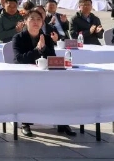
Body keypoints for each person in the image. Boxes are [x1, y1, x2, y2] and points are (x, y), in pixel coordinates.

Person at [11, 9, 75, 137]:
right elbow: (19, 59)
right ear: (25, 21)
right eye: (32, 19)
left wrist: (44, 47)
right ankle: (25, 122)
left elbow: (52, 57)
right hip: (25, 76)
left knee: (61, 88)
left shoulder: (46, 37)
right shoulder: (18, 37)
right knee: (27, 90)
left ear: (42, 23)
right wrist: (37, 50)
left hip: (45, 75)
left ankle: (62, 121)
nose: (36, 22)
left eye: (39, 19)